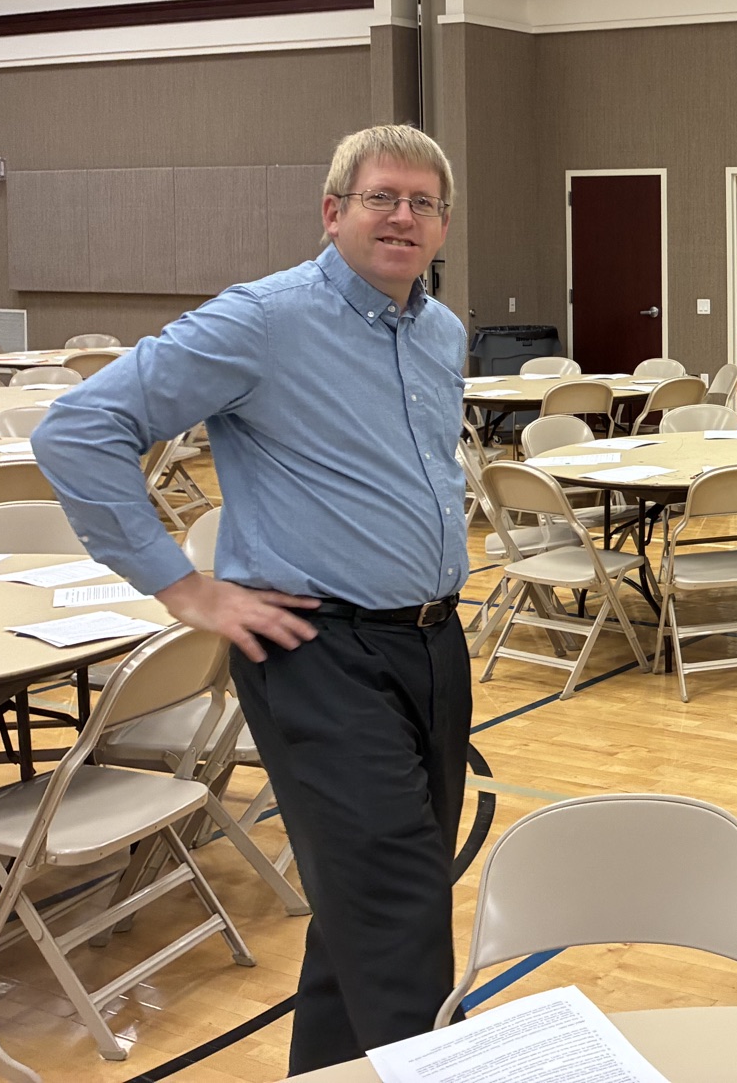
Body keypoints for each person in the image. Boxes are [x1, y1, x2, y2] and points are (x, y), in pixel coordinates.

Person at [34, 125, 470, 1073]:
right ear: (333, 212)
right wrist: (184, 586)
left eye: (423, 203)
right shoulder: (263, 319)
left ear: (443, 225)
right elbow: (79, 429)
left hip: (434, 646)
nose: (402, 217)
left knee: (376, 900)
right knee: (398, 910)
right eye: (381, 198)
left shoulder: (440, 331)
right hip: (318, 651)